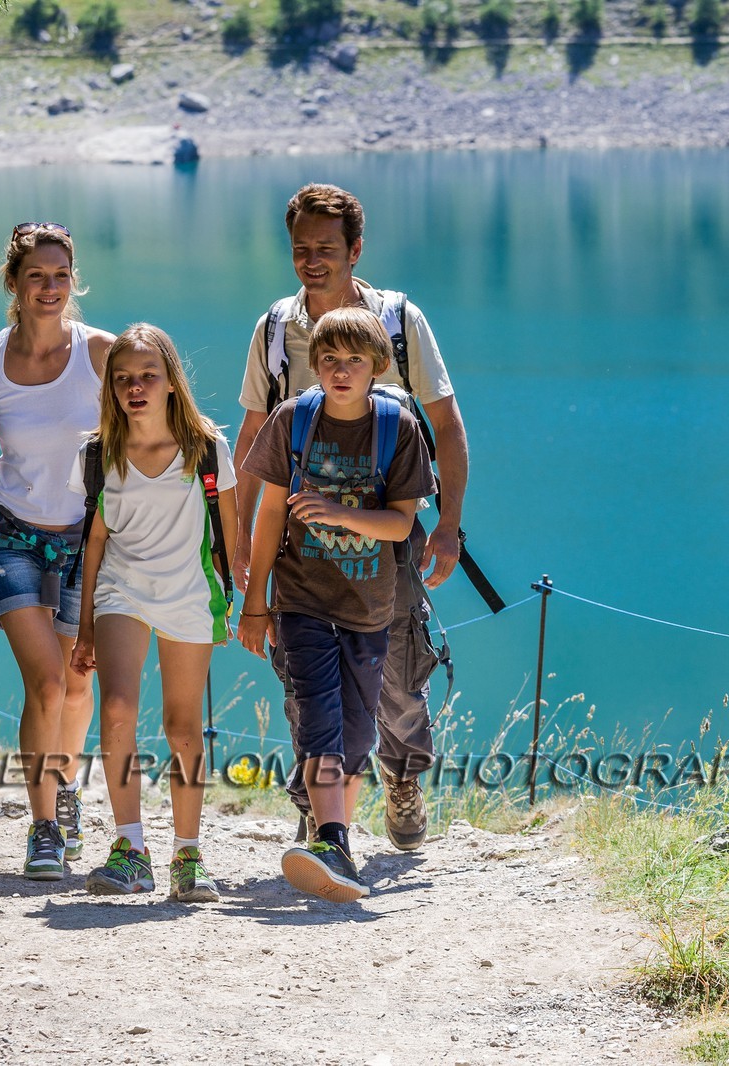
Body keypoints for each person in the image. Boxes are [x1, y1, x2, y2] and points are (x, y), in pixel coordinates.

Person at [233, 183, 470, 852]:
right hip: (298, 546)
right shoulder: (277, 330)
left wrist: (449, 525)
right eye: (301, 248)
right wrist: (239, 548)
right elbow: (254, 440)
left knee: (396, 673)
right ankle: (321, 815)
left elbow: (447, 425)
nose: (313, 260)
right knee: (306, 681)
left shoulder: (397, 321)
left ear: (356, 249)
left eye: (327, 249)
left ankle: (401, 778)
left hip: (388, 539)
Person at [239, 308, 434, 902]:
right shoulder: (292, 421)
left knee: (355, 733)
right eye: (328, 360)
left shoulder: (396, 428)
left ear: (377, 365)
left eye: (354, 360)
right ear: (314, 365)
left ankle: (335, 844)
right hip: (301, 601)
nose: (340, 371)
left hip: (370, 608)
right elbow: (270, 514)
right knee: (319, 715)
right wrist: (255, 603)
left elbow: (402, 525)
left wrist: (340, 512)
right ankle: (331, 837)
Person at [0, 222, 114, 880]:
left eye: (59, 276)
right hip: (10, 533)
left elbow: (131, 452)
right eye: (35, 277)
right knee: (46, 682)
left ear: (72, 280)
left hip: (87, 537)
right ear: (13, 284)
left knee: (79, 685)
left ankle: (69, 791)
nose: (49, 289)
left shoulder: (102, 352)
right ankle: (44, 827)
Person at [68, 324, 237, 902]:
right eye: (122, 379)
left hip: (190, 594)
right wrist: (86, 624)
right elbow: (94, 542)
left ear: (171, 381)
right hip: (122, 592)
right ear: (110, 387)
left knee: (182, 727)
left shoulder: (207, 448)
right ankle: (130, 848)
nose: (135, 388)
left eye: (147, 376)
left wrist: (237, 604)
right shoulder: (98, 453)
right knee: (115, 708)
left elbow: (228, 539)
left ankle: (187, 854)